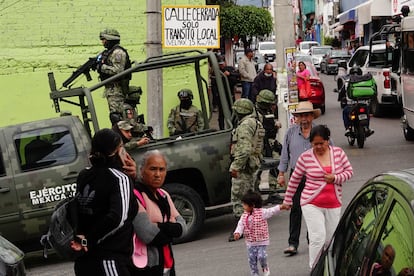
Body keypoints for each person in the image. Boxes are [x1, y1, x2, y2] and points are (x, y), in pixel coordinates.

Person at [283, 125, 353, 269]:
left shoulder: (338, 153)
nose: (319, 147)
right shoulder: (305, 157)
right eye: (315, 144)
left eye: (322, 143)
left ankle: (328, 267)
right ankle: (314, 269)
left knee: (330, 240)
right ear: (311, 143)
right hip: (311, 202)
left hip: (334, 203)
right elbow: (295, 180)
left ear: (328, 141)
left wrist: (335, 178)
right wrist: (287, 200)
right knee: (317, 238)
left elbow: (349, 172)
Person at [70, 128, 138, 276]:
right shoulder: (119, 179)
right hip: (109, 261)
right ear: (115, 152)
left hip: (84, 262)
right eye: (121, 148)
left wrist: (82, 239)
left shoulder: (84, 175)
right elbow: (117, 218)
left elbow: (78, 209)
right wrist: (88, 240)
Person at [277, 101, 325, 256]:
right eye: (300, 116)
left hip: (315, 177)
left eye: (306, 115)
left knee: (315, 209)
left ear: (312, 116)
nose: (303, 119)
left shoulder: (320, 132)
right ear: (296, 118)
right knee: (295, 209)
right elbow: (285, 154)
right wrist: (281, 174)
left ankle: (313, 240)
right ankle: (293, 243)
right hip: (296, 176)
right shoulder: (291, 133)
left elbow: (331, 150)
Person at [132, 150, 187, 275]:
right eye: (153, 169)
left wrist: (158, 226)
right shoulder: (135, 196)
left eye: (162, 169)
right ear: (142, 170)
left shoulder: (164, 195)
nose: (157, 174)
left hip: (167, 263)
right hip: (146, 266)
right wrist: (171, 228)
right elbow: (148, 235)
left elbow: (183, 228)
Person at [229, 98, 264, 242]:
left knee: (239, 197)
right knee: (251, 196)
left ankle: (240, 228)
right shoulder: (256, 122)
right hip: (253, 164)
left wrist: (235, 166)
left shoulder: (245, 125)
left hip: (244, 167)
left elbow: (244, 149)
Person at [233, 190, 289, 276]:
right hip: (250, 242)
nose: (243, 206)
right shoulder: (244, 215)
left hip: (261, 240)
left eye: (245, 204)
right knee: (252, 259)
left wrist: (281, 207)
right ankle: (254, 273)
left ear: (253, 205)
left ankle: (264, 266)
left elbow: (272, 210)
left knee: (261, 256)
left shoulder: (262, 212)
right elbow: (240, 225)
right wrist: (237, 233)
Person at [96, 28, 132, 125]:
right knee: (115, 116)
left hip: (117, 89)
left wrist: (101, 67)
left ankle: (122, 137)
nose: (103, 42)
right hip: (111, 89)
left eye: (104, 40)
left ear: (110, 39)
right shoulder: (109, 52)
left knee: (117, 117)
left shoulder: (118, 53)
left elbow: (118, 71)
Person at [211, 56, 240, 130]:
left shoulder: (230, 69)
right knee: (221, 113)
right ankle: (222, 128)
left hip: (230, 93)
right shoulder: (215, 71)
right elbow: (213, 84)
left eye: (222, 63)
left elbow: (237, 77)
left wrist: (229, 74)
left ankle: (233, 126)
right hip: (221, 95)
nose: (222, 65)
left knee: (232, 111)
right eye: (220, 64)